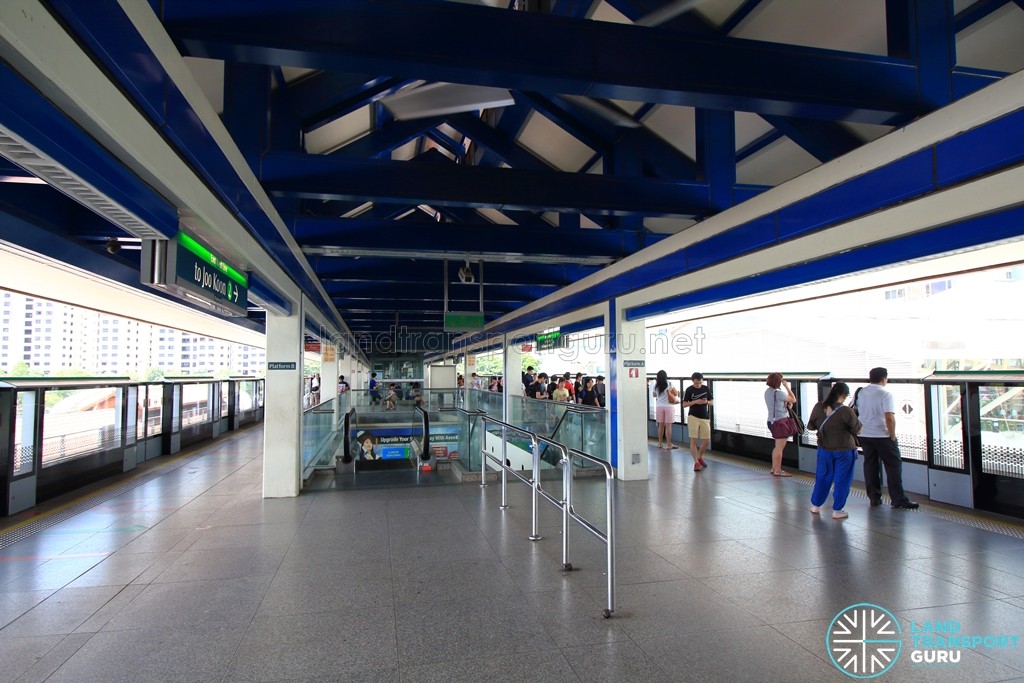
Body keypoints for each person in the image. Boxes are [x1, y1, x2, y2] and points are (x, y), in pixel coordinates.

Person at [858, 367, 920, 509]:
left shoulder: (861, 392)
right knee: (893, 465)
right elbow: (889, 417)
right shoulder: (885, 394)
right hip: (882, 435)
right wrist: (892, 434)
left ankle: (874, 498)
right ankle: (898, 499)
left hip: (864, 434)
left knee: (870, 465)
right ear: (884, 379)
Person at [806, 382, 861, 519]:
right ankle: (837, 510)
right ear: (844, 395)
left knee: (822, 477)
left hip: (824, 449)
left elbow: (811, 426)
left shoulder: (819, 406)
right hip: (844, 451)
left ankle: (815, 506)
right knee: (842, 480)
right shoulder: (845, 410)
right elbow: (858, 430)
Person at [765, 372, 796, 477]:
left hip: (771, 421)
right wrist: (787, 386)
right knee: (780, 447)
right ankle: (778, 470)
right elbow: (793, 399)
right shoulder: (779, 393)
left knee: (777, 446)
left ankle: (774, 468)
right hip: (780, 422)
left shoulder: (768, 392)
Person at [682, 372, 713, 471]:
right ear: (693, 381)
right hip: (693, 416)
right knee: (693, 440)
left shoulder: (706, 389)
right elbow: (684, 404)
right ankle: (696, 462)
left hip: (704, 417)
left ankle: (699, 456)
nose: (698, 385)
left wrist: (706, 402)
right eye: (696, 383)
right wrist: (695, 402)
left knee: (706, 440)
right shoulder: (689, 390)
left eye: (699, 383)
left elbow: (712, 402)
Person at [652, 370, 679, 450]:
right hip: (669, 406)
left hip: (659, 406)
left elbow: (654, 395)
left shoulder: (656, 385)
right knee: (668, 426)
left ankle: (660, 443)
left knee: (660, 425)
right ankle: (668, 444)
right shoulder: (669, 384)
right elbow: (676, 393)